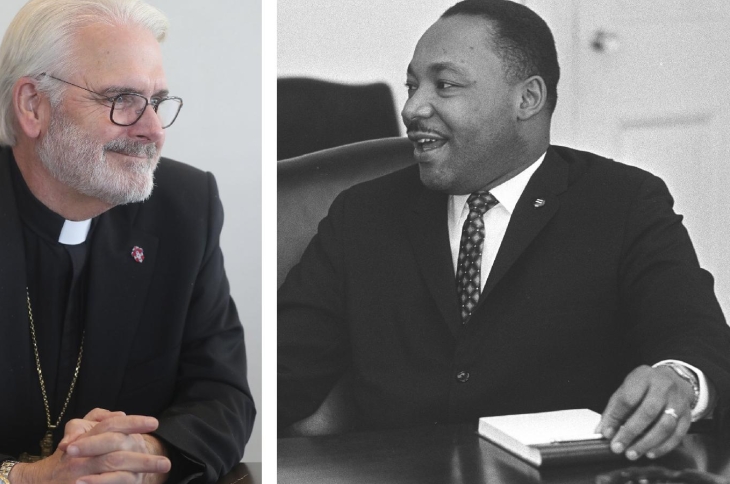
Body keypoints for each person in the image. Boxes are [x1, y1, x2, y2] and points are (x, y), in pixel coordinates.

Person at [278, 0, 730, 463]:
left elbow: (695, 337)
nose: (412, 108)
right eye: (412, 85)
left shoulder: (624, 203)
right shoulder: (363, 215)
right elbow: (281, 370)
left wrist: (680, 379)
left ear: (527, 99)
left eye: (446, 85)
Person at [0, 0, 255, 483]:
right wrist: (25, 479)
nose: (153, 130)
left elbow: (223, 394)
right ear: (33, 105)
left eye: (156, 101)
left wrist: (143, 454)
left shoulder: (186, 207)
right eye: (122, 99)